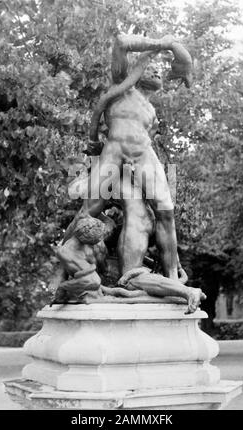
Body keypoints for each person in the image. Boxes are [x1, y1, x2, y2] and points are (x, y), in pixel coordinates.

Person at [82, 34, 193, 281]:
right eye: (150, 68)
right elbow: (120, 41)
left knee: (165, 210)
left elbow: (148, 140)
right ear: (138, 70)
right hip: (112, 151)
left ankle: (173, 278)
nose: (157, 72)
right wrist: (165, 44)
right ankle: (71, 266)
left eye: (160, 72)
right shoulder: (122, 86)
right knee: (89, 209)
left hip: (143, 154)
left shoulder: (152, 114)